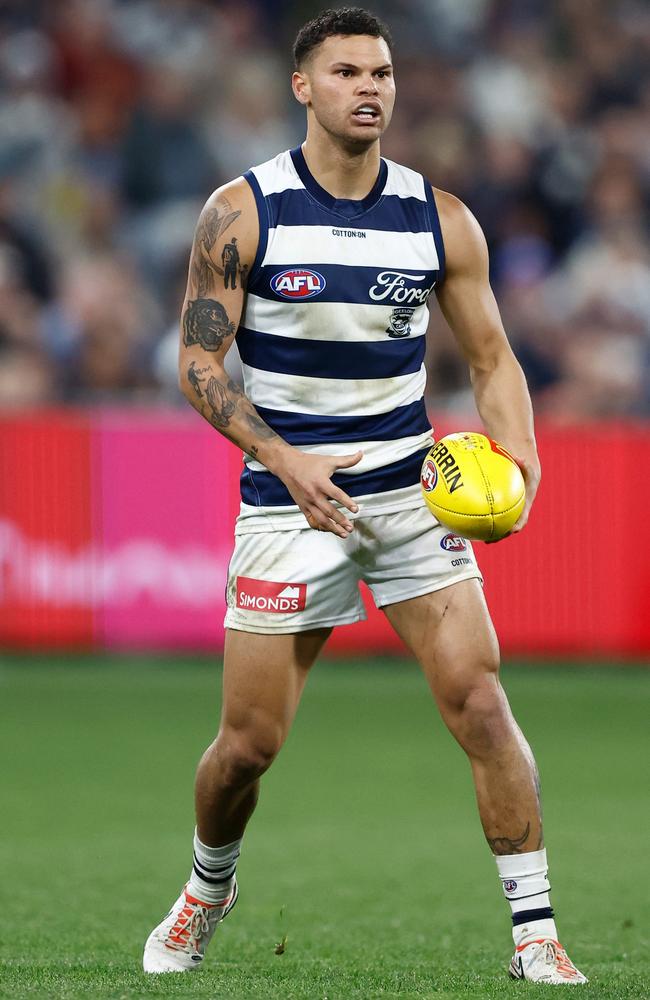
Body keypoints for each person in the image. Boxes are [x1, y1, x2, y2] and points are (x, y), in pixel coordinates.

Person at [143, 8, 587, 985]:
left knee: (478, 697)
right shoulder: (242, 210)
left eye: (380, 71)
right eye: (345, 70)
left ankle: (534, 934)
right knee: (245, 749)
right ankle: (206, 886)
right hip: (285, 501)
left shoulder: (439, 217)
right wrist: (282, 456)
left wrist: (516, 455)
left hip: (407, 498)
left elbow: (491, 356)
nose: (369, 87)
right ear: (303, 87)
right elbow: (198, 361)